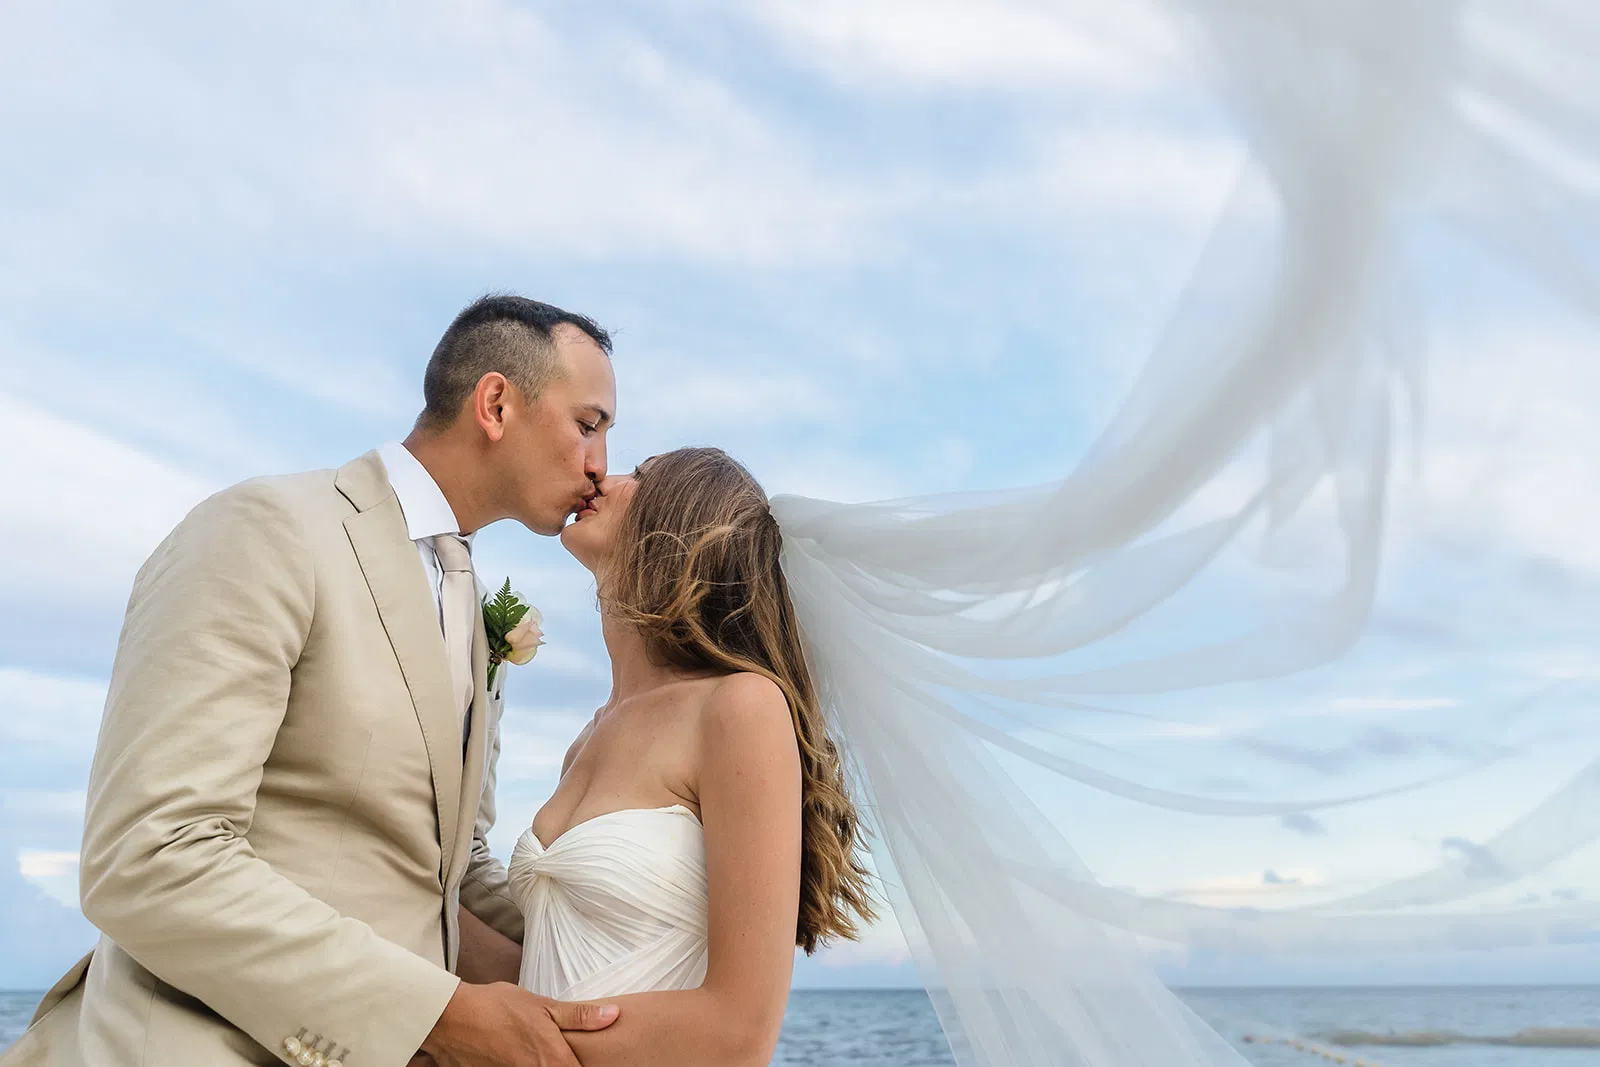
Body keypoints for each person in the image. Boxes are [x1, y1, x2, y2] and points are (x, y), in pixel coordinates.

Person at [2, 295, 629, 1067]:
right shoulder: (268, 529)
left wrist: (626, 957)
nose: (600, 464)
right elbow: (151, 854)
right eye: (589, 424)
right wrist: (442, 1016)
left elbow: (444, 872)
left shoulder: (472, 612)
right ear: (496, 404)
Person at [499, 448, 878, 1066]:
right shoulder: (586, 739)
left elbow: (739, 1034)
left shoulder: (740, 706)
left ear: (677, 519)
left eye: (638, 477)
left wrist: (498, 1047)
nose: (601, 476)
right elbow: (550, 971)